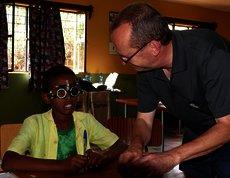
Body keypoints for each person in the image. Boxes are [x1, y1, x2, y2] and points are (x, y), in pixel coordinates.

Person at [110, 2, 230, 178]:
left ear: (154, 47)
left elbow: (227, 126)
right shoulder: (145, 67)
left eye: (126, 56)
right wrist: (136, 145)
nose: (123, 62)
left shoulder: (211, 56)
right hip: (195, 134)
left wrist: (171, 156)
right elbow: (144, 120)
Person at [2, 65, 128, 172]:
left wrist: (104, 157)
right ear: (46, 97)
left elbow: (122, 146)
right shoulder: (34, 124)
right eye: (61, 92)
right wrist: (61, 165)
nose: (69, 97)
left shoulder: (86, 121)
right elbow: (8, 161)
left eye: (73, 91)